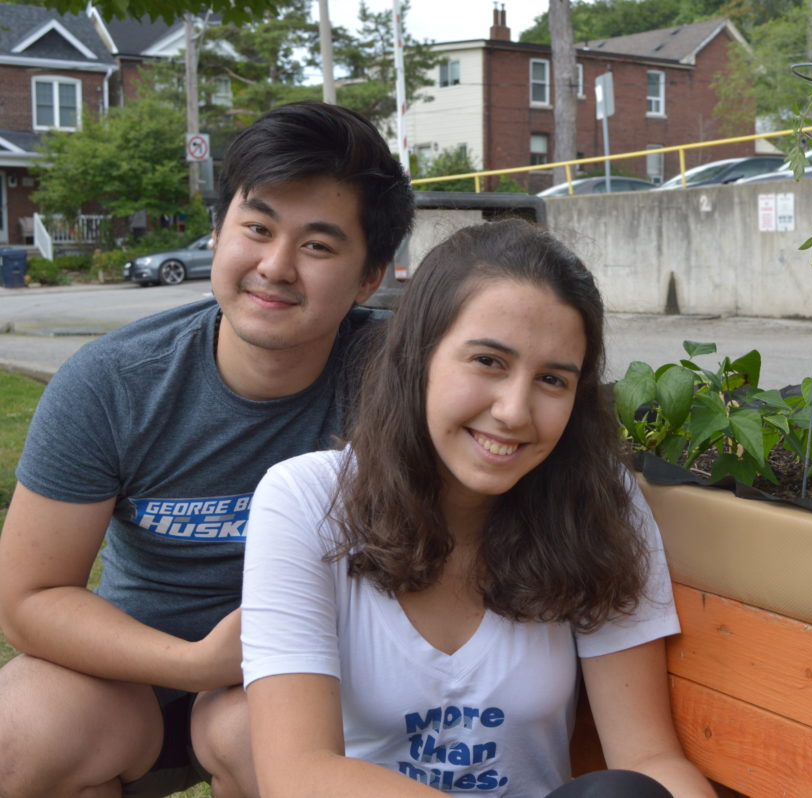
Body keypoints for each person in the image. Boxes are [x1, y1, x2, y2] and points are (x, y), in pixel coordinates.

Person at [0, 101, 414, 797]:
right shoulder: (112, 383)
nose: (275, 267)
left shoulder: (399, 380)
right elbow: (28, 598)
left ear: (370, 276)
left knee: (258, 736)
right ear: (218, 232)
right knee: (23, 731)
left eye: (317, 246)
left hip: (321, 679)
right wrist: (195, 663)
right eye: (256, 229)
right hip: (142, 671)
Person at [240, 219, 715, 797]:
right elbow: (298, 775)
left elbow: (647, 755)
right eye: (489, 361)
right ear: (419, 355)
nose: (515, 411)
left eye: (552, 380)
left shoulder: (594, 503)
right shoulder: (306, 499)